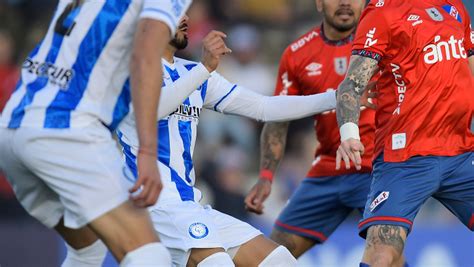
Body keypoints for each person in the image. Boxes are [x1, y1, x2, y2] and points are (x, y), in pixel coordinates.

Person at [116, 15, 357, 267]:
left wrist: (335, 98)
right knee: (217, 263)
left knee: (280, 261)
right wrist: (204, 69)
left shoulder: (189, 72)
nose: (185, 16)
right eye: (175, 8)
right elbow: (149, 110)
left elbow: (263, 107)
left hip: (187, 204)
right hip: (153, 203)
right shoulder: (130, 68)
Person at [0, 0, 192, 266]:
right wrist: (146, 151)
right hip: (66, 130)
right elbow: (146, 55)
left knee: (87, 250)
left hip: (12, 127)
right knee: (150, 255)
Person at [335, 0, 474, 266]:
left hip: (460, 151)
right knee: (382, 256)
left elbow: (469, 67)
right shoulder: (382, 11)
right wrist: (349, 134)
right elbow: (351, 85)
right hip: (405, 159)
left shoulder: (455, 6)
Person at [244, 0, 374, 258]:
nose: (345, 3)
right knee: (275, 254)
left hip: (377, 168)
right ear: (319, 3)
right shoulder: (297, 53)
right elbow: (277, 118)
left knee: (384, 252)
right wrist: (266, 176)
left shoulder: (383, 42)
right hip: (328, 168)